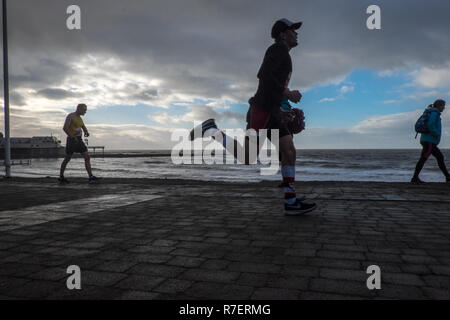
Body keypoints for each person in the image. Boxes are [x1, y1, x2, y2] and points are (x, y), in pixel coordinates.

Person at [189, 18, 317, 215]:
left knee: (289, 151)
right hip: (262, 110)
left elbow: (272, 83)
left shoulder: (283, 54)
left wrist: (281, 108)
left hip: (272, 110)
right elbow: (265, 77)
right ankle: (211, 129)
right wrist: (287, 94)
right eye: (293, 30)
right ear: (283, 34)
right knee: (247, 156)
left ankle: (291, 201)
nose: (296, 33)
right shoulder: (277, 50)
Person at [411, 99, 449, 184]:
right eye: (443, 106)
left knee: (439, 157)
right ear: (439, 106)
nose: (444, 108)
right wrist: (436, 133)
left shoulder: (431, 112)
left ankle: (447, 176)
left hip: (428, 140)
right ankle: (414, 178)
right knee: (424, 158)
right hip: (429, 141)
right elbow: (430, 124)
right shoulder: (434, 113)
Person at [59, 103, 99, 184]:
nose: (85, 112)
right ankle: (61, 176)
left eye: (86, 110)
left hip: (79, 140)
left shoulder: (80, 118)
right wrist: (72, 137)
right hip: (72, 140)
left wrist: (86, 132)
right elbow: (65, 128)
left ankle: (91, 176)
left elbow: (83, 126)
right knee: (67, 159)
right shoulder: (71, 116)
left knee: (87, 157)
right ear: (79, 109)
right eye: (84, 110)